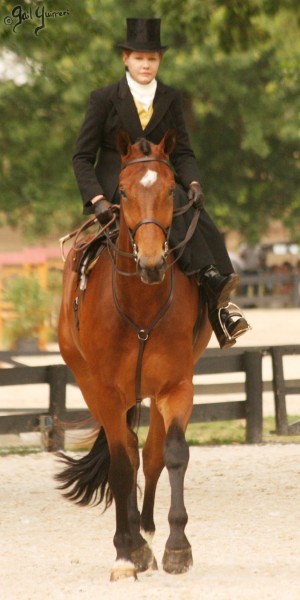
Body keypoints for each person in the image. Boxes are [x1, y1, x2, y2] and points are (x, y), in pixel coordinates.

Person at [72, 18, 250, 349]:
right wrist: (95, 198)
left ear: (159, 61)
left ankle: (218, 300)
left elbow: (182, 151)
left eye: (152, 59)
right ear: (126, 58)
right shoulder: (104, 98)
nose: (145, 65)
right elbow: (82, 157)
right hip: (117, 187)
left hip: (160, 183)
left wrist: (194, 180)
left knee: (192, 211)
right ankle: (74, 310)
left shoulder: (171, 98)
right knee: (83, 254)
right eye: (139, 58)